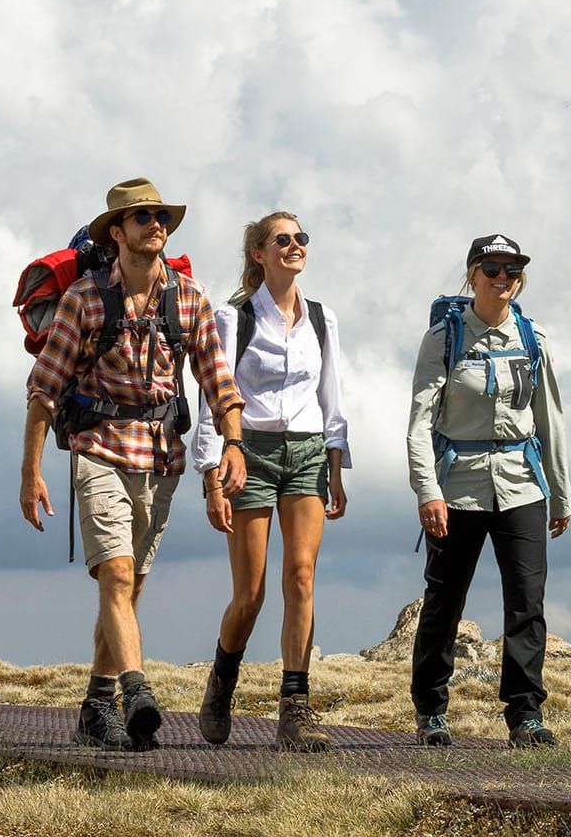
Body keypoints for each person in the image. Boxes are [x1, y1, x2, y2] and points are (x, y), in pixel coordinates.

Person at [21, 178, 246, 752]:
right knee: (116, 577)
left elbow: (218, 380)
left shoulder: (189, 298)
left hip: (162, 457)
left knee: (128, 587)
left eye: (161, 216)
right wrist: (31, 473)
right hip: (98, 449)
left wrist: (233, 444)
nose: (156, 224)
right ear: (117, 232)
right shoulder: (86, 299)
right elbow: (45, 391)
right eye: (143, 217)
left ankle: (96, 706)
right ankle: (137, 691)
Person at [190, 211, 351, 752]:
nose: (295, 246)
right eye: (282, 240)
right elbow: (216, 397)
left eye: (301, 238)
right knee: (251, 594)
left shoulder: (323, 319)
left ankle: (295, 710)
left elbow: (332, 395)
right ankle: (221, 684)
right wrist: (212, 475)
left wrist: (336, 460)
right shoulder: (232, 319)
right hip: (248, 453)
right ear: (259, 253)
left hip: (306, 452)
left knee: (302, 576)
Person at [406, 234, 571, 748]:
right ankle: (431, 710)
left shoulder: (533, 337)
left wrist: (561, 495)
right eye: (492, 269)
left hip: (523, 484)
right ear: (472, 274)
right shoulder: (445, 338)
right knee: (445, 599)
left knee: (527, 602)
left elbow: (550, 418)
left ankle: (525, 715)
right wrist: (427, 490)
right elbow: (419, 422)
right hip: (459, 488)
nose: (503, 279)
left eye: (512, 270)